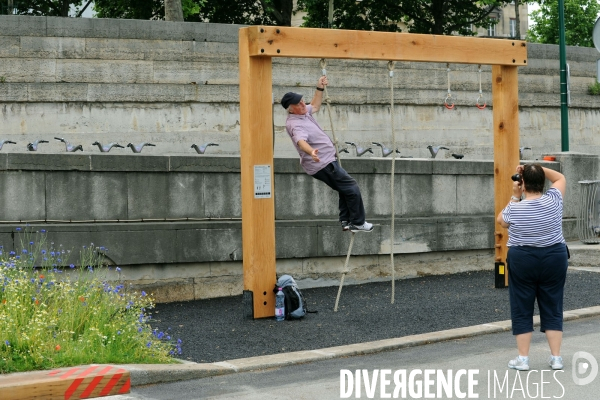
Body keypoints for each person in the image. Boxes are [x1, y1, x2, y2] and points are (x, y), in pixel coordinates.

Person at [496, 163, 568, 371]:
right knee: (553, 304)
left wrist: (515, 195)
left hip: (523, 259)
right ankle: (556, 358)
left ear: (523, 183)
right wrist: (533, 168)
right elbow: (560, 178)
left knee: (522, 306)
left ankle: (523, 359)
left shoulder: (515, 207)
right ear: (543, 182)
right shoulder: (554, 200)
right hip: (554, 256)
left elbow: (501, 221)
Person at [281, 77, 373, 233]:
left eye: (302, 101)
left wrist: (319, 88)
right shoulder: (295, 123)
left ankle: (345, 220)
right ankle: (358, 222)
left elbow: (315, 105)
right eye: (298, 104)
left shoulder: (303, 113)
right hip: (323, 163)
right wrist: (311, 151)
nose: (303, 104)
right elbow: (300, 141)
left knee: (344, 189)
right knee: (352, 187)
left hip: (327, 161)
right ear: (290, 109)